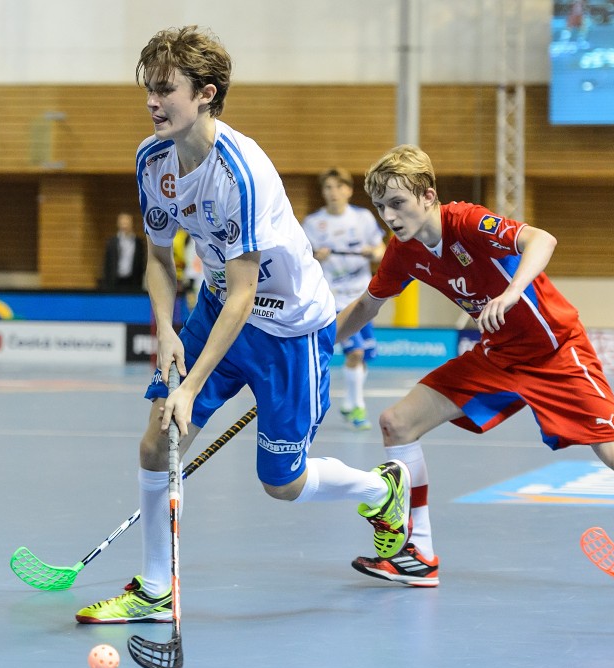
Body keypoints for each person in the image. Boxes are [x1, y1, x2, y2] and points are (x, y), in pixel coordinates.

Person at [75, 26, 411, 624]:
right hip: (213, 312)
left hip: (289, 330)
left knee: (282, 483)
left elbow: (247, 292)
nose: (152, 101)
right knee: (158, 443)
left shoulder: (241, 173)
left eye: (164, 89)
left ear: (205, 93)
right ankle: (155, 589)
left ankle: (380, 491)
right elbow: (157, 256)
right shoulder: (153, 161)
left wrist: (190, 385)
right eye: (148, 89)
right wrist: (168, 331)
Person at [334, 144, 614, 597]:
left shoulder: (466, 221)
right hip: (497, 356)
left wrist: (512, 292)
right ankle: (419, 555)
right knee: (397, 422)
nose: (389, 215)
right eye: (380, 206)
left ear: (428, 196)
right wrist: (318, 349)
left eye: (398, 203)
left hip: (556, 352)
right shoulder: (403, 252)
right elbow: (366, 305)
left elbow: (542, 239)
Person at [302, 167, 386, 430]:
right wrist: (316, 256)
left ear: (349, 190)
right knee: (356, 352)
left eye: (339, 187)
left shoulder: (363, 218)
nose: (334, 193)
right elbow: (300, 261)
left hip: (363, 297)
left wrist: (372, 253)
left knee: (363, 357)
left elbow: (382, 252)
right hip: (334, 299)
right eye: (328, 188)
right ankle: (357, 407)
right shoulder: (313, 224)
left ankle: (349, 403)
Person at [102, 211, 146, 292]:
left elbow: (141, 264)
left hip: (133, 282)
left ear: (131, 224)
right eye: (122, 223)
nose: (124, 225)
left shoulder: (138, 243)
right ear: (118, 224)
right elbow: (107, 264)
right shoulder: (112, 242)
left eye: (127, 223)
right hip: (114, 282)